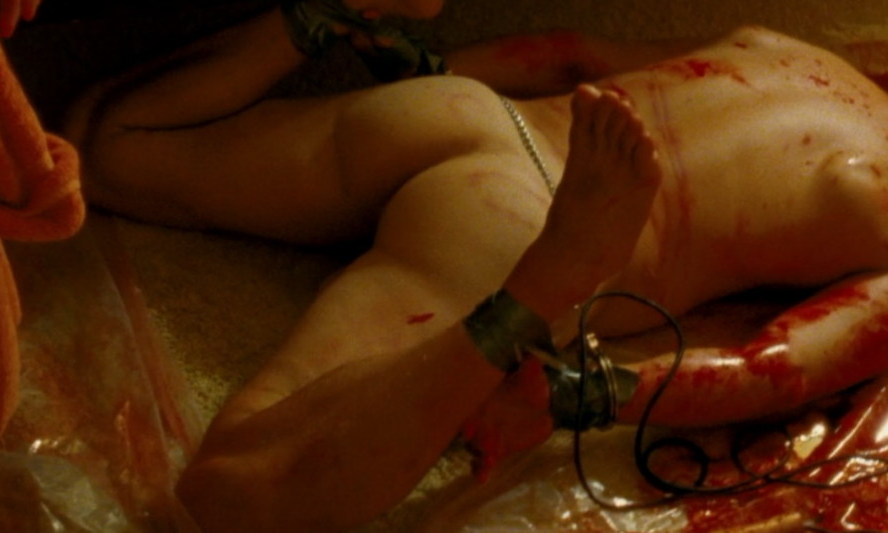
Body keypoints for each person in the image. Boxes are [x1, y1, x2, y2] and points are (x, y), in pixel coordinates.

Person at [63, 0, 888, 529]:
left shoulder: (792, 48)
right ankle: (532, 293)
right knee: (230, 494)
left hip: (473, 117)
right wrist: (580, 391)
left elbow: (568, 56)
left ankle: (323, 13)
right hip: (515, 225)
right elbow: (777, 365)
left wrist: (429, 71)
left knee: (105, 152)